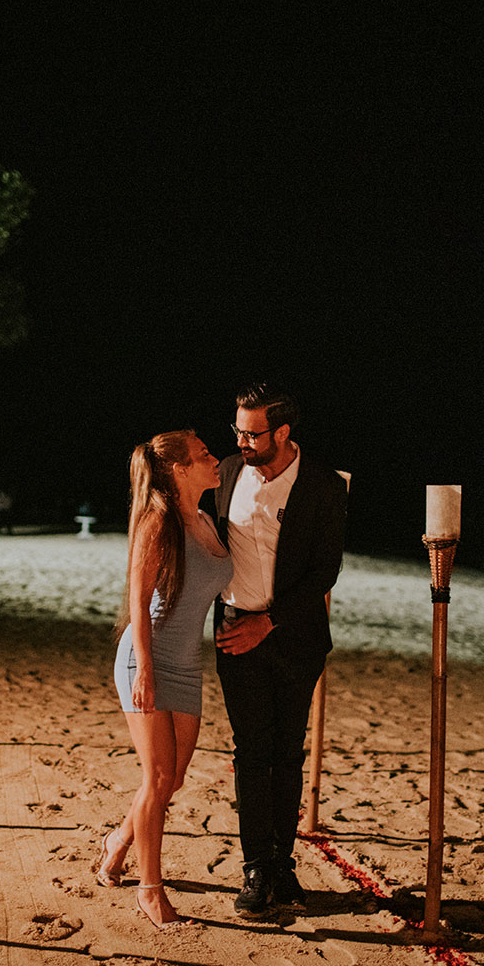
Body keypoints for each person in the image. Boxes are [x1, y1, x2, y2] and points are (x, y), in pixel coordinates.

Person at [212, 382, 347, 917]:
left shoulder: (323, 484)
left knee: (289, 751)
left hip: (295, 636)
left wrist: (268, 623)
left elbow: (324, 571)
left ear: (283, 432)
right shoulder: (226, 473)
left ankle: (282, 864)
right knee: (250, 751)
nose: (241, 441)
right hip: (233, 632)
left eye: (252, 433)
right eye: (238, 430)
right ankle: (254, 867)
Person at [95, 429, 230, 930]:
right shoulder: (158, 520)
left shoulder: (208, 521)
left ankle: (116, 842)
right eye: (204, 455)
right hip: (145, 657)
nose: (215, 460)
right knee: (156, 777)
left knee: (172, 779)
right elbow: (138, 598)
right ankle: (150, 891)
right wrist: (146, 670)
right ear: (180, 469)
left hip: (187, 662)